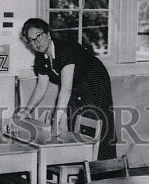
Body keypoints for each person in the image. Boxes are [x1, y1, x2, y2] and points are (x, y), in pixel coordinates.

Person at [16, 17, 116, 160]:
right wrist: (25, 112)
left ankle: (100, 170)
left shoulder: (65, 50)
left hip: (95, 82)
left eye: (39, 36)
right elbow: (41, 87)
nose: (36, 42)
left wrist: (55, 122)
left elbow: (66, 89)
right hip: (77, 86)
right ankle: (82, 168)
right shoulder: (40, 57)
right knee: (75, 122)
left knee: (94, 124)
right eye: (31, 40)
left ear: (48, 34)